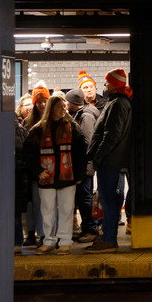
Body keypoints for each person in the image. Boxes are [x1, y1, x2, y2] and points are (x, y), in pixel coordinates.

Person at [24, 95, 87, 255]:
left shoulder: (73, 127)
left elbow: (81, 152)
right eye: (60, 106)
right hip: (46, 177)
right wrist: (38, 171)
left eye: (65, 106)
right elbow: (28, 154)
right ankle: (48, 241)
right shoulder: (37, 130)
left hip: (68, 177)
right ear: (52, 108)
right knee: (47, 210)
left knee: (67, 209)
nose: (64, 109)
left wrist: (79, 174)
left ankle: (65, 241)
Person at [86, 68, 133, 253]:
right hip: (113, 159)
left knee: (107, 200)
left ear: (113, 85)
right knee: (109, 199)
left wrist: (97, 157)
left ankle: (108, 238)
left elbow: (111, 135)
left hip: (110, 160)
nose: (105, 87)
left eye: (107, 83)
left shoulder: (117, 104)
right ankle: (107, 237)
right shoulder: (119, 102)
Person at [65, 88, 101, 243]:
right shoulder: (81, 114)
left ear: (73, 102)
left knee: (84, 197)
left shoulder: (85, 117)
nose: (66, 104)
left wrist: (82, 162)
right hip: (83, 164)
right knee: (82, 197)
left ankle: (91, 229)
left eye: (67, 101)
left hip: (85, 165)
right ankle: (87, 227)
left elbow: (87, 141)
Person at [22, 80, 50, 247]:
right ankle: (32, 234)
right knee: (32, 203)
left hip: (47, 168)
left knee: (42, 204)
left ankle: (42, 234)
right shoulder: (28, 123)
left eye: (45, 100)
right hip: (33, 169)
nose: (42, 104)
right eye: (39, 101)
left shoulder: (52, 121)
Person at [14, 114, 29, 254]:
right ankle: (16, 242)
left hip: (15, 176)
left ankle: (16, 241)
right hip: (19, 176)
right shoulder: (21, 131)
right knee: (16, 212)